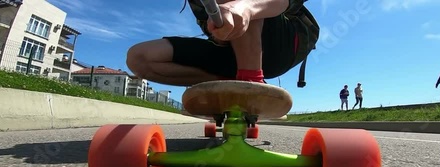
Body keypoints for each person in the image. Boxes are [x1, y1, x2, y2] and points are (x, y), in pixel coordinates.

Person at [125, 0, 320, 88]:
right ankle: (227, 83)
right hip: (232, 51)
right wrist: (219, 33)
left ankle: (251, 83)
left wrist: (244, 8)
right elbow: (211, 27)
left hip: (282, 46)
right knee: (138, 58)